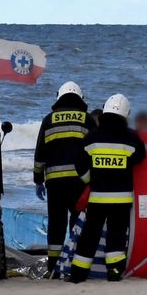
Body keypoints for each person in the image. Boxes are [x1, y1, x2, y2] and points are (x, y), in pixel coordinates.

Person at [70, 94, 145, 283]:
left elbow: (79, 164)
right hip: (121, 199)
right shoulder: (131, 137)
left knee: (89, 236)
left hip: (97, 198)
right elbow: (140, 157)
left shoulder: (92, 136)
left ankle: (78, 274)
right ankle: (114, 272)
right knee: (117, 236)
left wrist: (90, 181)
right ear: (125, 114)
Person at [33, 81, 96, 274]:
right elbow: (95, 151)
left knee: (56, 224)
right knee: (78, 223)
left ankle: (54, 268)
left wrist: (38, 180)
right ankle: (76, 264)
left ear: (58, 97)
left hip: (55, 183)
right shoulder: (87, 120)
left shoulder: (48, 120)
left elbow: (40, 153)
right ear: (80, 98)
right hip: (80, 182)